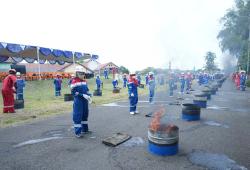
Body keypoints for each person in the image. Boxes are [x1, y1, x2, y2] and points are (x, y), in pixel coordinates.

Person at [71, 71, 92, 138]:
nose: (82, 75)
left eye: (83, 74)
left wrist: (89, 96)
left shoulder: (84, 81)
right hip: (78, 100)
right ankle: (78, 132)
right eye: (81, 74)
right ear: (77, 74)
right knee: (78, 115)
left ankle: (85, 129)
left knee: (85, 114)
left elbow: (87, 90)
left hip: (85, 100)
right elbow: (73, 92)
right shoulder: (74, 81)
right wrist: (82, 95)